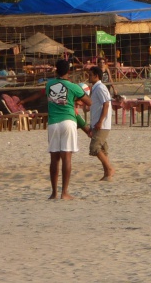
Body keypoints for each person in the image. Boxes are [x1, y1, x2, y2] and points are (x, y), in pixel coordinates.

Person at [46, 59, 91, 200]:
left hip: (53, 122)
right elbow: (89, 102)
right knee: (66, 157)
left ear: (56, 70)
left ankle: (54, 192)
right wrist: (76, 99)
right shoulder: (73, 86)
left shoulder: (49, 84)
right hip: (68, 121)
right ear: (69, 71)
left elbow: (54, 98)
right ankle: (64, 192)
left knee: (54, 159)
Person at [85, 67, 115, 181]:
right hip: (97, 122)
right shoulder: (95, 88)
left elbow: (106, 104)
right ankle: (107, 173)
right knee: (103, 148)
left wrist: (100, 121)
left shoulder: (100, 88)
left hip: (102, 124)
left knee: (94, 147)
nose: (88, 77)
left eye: (90, 74)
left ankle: (109, 169)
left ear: (96, 76)